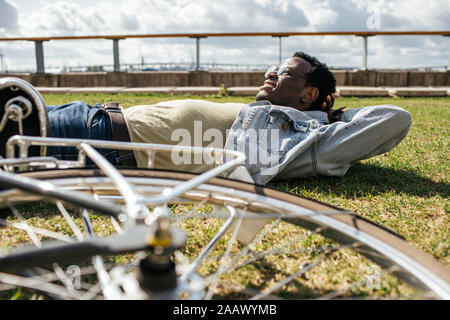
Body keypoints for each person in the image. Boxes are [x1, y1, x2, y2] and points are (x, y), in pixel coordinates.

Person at [0, 51, 411, 185]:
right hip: (93, 117)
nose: (271, 73)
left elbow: (394, 118)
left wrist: (329, 113)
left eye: (285, 72)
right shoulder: (265, 112)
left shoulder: (305, 139)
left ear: (309, 92)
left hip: (99, 145)